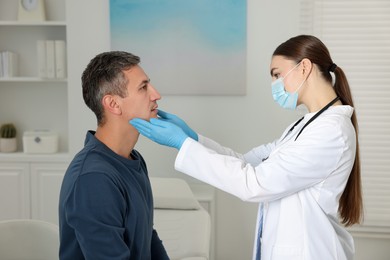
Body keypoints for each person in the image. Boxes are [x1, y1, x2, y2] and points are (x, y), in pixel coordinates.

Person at [130, 35, 363, 260]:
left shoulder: (330, 132)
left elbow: (256, 183)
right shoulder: (305, 125)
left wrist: (183, 144)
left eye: (277, 75)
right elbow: (246, 161)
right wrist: (192, 138)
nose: (274, 85)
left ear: (304, 68)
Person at [58, 51, 169, 260]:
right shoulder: (93, 178)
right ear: (113, 104)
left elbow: (147, 236)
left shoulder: (133, 159)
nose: (156, 95)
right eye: (143, 87)